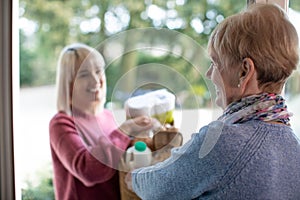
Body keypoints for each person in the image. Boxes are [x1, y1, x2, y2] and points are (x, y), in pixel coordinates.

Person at [128, 3, 300, 199]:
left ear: (244, 71)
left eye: (215, 63)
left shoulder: (224, 140)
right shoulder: (293, 146)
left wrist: (132, 176)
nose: (209, 74)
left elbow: (156, 187)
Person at [49, 43, 158, 200]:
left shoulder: (107, 116)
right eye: (84, 74)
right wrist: (124, 131)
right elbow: (88, 171)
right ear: (69, 83)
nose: (96, 81)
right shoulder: (61, 124)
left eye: (99, 71)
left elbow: (120, 158)